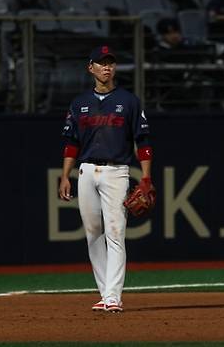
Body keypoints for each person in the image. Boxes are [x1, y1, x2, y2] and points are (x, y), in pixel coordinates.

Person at [58, 45, 153, 313]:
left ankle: (113, 297)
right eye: (101, 63)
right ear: (91, 68)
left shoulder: (129, 101)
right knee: (93, 234)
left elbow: (143, 142)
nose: (106, 67)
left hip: (116, 172)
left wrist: (145, 177)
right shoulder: (79, 104)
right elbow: (71, 144)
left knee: (115, 234)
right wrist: (65, 175)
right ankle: (105, 293)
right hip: (85, 171)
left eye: (110, 62)